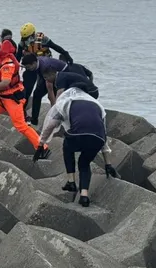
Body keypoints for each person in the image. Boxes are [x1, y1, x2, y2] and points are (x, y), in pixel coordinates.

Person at [38, 73, 117, 208]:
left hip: (78, 135)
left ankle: (71, 182)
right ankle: (84, 196)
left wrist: (41, 143)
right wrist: (108, 164)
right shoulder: (97, 106)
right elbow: (103, 136)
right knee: (84, 163)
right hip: (97, 139)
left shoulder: (67, 101)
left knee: (67, 147)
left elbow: (51, 125)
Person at [0, 39, 44, 152]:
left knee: (20, 125)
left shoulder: (7, 63)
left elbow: (5, 82)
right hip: (0, 98)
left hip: (12, 97)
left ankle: (42, 147)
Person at [18, 23, 73, 122]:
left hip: (45, 69)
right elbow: (17, 56)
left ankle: (58, 114)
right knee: (26, 90)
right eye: (24, 38)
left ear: (33, 34)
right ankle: (24, 114)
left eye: (28, 37)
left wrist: (66, 54)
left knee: (41, 92)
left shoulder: (43, 39)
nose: (26, 40)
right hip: (30, 67)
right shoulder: (22, 43)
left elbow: (56, 47)